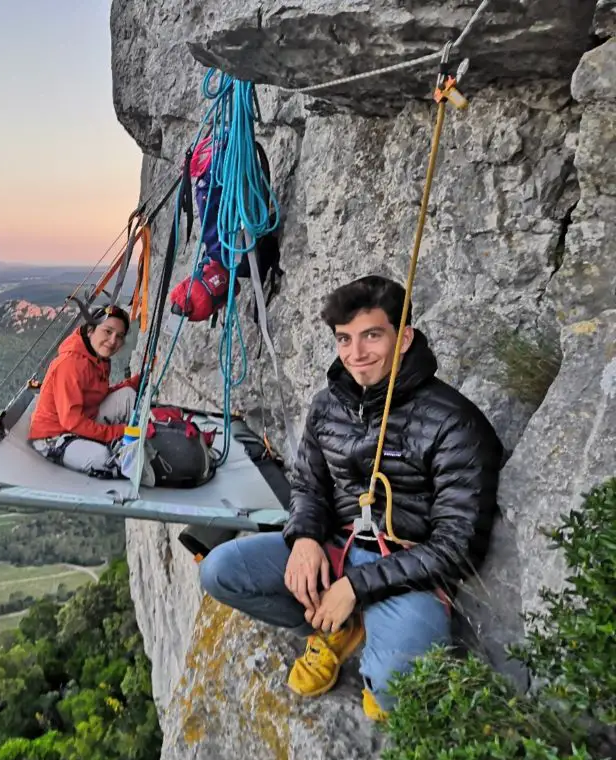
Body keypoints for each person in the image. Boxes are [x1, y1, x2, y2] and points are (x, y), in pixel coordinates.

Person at [199, 274, 504, 720]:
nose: (356, 354)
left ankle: (356, 621)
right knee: (219, 571)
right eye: (345, 339)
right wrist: (303, 538)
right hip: (337, 547)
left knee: (394, 699)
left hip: (406, 570)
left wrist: (354, 587)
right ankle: (337, 626)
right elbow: (308, 484)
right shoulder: (329, 405)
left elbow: (459, 547)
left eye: (371, 336)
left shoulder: (453, 422)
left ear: (404, 339)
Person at [28, 304, 142, 476]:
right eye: (107, 331)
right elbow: (71, 422)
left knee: (128, 396)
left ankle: (138, 437)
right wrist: (118, 431)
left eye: (119, 336)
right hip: (54, 436)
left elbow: (97, 395)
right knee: (102, 458)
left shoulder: (98, 357)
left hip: (83, 418)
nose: (113, 341)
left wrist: (130, 384)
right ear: (91, 330)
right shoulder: (71, 364)